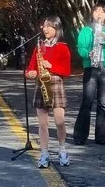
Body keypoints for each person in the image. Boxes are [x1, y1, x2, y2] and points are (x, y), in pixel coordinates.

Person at [25, 16, 71, 168]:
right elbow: (31, 67)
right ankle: (44, 153)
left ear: (56, 28)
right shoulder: (39, 47)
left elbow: (67, 70)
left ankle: (62, 150)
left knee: (59, 121)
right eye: (44, 26)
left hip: (56, 83)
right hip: (41, 84)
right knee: (43, 124)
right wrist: (30, 73)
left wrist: (51, 66)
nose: (45, 29)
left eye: (49, 26)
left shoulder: (62, 47)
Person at [73, 4, 105, 145]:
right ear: (92, 14)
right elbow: (81, 49)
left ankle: (101, 136)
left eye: (102, 12)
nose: (99, 14)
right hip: (90, 67)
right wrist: (88, 54)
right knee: (87, 101)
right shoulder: (86, 31)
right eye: (96, 11)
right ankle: (80, 136)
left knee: (103, 103)